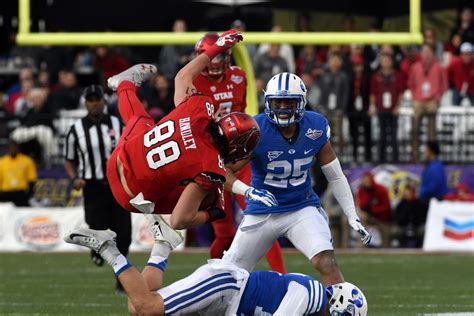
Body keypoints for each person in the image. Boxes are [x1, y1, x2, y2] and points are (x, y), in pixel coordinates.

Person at [104, 30, 270, 249]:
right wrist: (211, 214)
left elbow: (182, 77)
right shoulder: (209, 165)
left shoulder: (199, 107)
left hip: (119, 157)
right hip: (130, 196)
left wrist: (216, 47)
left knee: (141, 119)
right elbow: (179, 220)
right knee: (208, 197)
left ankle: (125, 85)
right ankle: (159, 229)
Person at [222, 72, 372, 287]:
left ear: (301, 102)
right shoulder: (256, 129)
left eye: (288, 101)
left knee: (326, 262)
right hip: (262, 212)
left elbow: (335, 175)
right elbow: (223, 171)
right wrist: (248, 192)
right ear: (268, 102)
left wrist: (351, 215)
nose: (282, 107)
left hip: (301, 208)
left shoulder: (315, 127)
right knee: (231, 275)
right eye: (277, 102)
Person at [64, 225, 368, 315]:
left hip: (224, 304)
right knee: (145, 307)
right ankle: (108, 249)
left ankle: (163, 245)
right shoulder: (311, 293)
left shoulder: (313, 300)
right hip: (225, 287)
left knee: (138, 304)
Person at [192, 32, 286, 273]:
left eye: (219, 56)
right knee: (224, 234)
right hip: (211, 161)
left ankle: (282, 278)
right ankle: (210, 279)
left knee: (262, 218)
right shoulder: (191, 81)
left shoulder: (238, 77)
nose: (213, 62)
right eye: (209, 57)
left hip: (239, 158)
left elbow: (241, 115)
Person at [64, 84, 132, 294]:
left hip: (117, 185)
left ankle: (122, 281)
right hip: (92, 187)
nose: (94, 103)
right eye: (90, 100)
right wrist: (75, 177)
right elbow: (69, 159)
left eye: (97, 99)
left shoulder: (117, 123)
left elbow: (128, 150)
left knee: (124, 234)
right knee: (98, 229)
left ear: (104, 101)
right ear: (85, 103)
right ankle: (96, 252)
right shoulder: (76, 130)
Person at [357, 172, 392, 247]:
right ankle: (360, 246)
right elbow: (362, 206)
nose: (366, 182)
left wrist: (374, 210)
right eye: (364, 181)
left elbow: (386, 207)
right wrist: (367, 193)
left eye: (367, 180)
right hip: (368, 216)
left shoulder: (381, 189)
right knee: (361, 218)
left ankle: (386, 248)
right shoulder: (362, 190)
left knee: (385, 230)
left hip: (381, 217)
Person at [0, 140, 37, 206]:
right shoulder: (2, 162)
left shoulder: (27, 161)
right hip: (5, 194)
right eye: (10, 147)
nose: (12, 149)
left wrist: (29, 195)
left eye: (14, 147)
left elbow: (31, 180)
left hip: (21, 194)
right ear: (7, 149)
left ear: (18, 148)